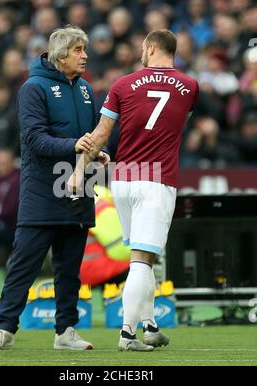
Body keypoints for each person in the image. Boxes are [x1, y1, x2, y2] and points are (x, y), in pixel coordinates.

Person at [68, 29, 199, 351]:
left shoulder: (123, 85)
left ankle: (150, 326)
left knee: (143, 257)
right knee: (142, 259)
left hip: (123, 178)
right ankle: (128, 336)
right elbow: (177, 122)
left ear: (151, 47)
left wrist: (78, 170)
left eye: (143, 48)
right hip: (157, 180)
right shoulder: (191, 87)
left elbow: (100, 133)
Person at [0, 26, 109, 350]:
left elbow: (93, 135)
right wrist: (76, 144)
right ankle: (4, 329)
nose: (85, 55)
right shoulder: (33, 88)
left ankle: (66, 331)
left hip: (80, 187)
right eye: (79, 50)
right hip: (41, 189)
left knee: (70, 269)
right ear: (60, 54)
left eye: (85, 49)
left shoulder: (86, 90)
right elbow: (34, 139)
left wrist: (98, 152)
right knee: (24, 264)